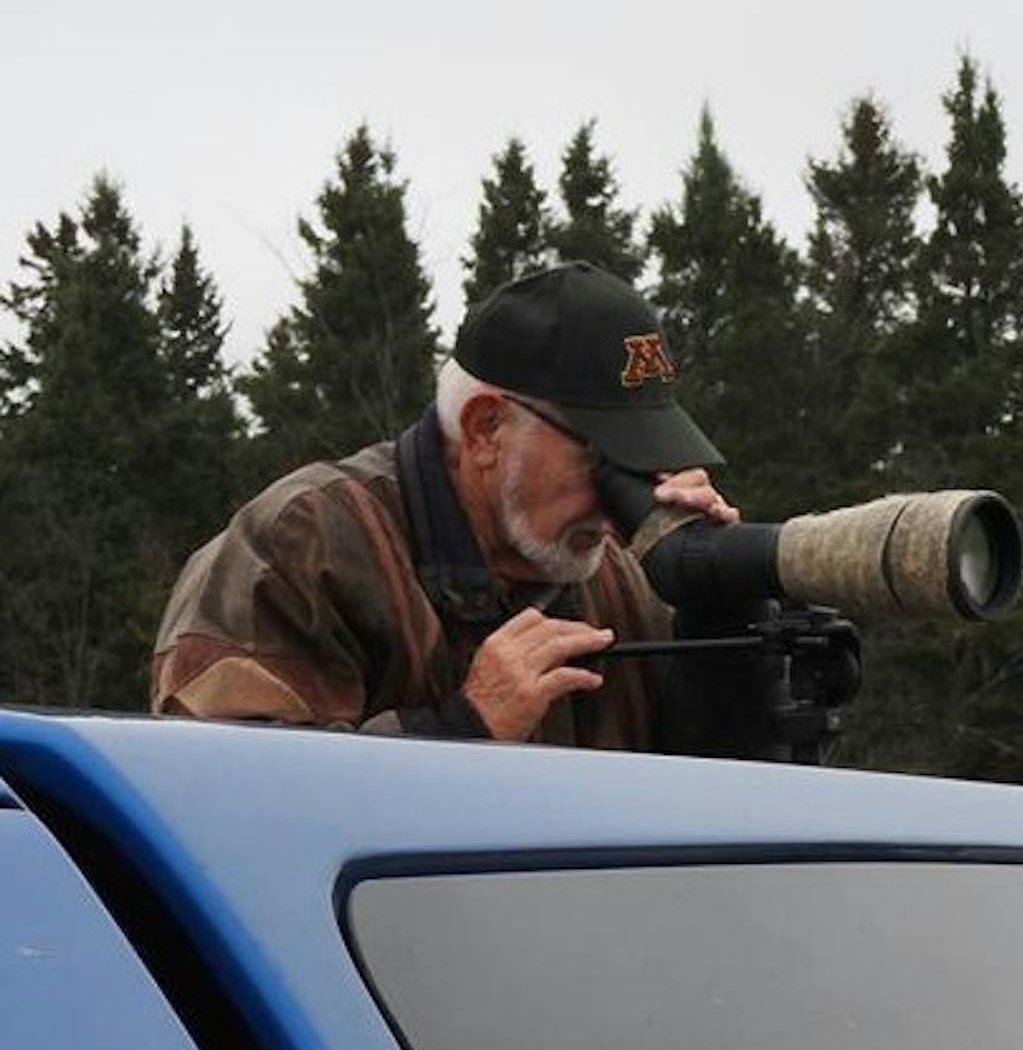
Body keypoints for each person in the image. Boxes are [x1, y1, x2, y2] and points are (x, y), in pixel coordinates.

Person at [151, 262, 738, 749]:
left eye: (645, 464)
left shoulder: (620, 577)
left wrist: (719, 614)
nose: (617, 510)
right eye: (604, 462)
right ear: (485, 429)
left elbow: (722, 810)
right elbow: (230, 806)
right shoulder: (304, 545)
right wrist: (466, 727)